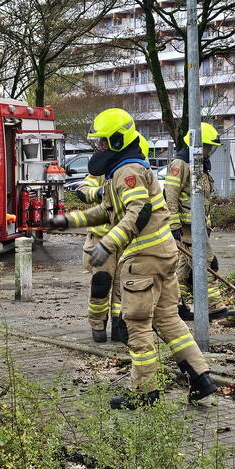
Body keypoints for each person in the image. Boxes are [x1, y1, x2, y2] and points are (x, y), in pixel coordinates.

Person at [53, 109, 217, 409]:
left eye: (102, 143)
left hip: (142, 258)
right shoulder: (127, 168)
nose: (98, 148)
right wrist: (69, 221)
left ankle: (144, 393)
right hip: (162, 253)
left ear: (117, 140)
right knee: (169, 320)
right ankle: (201, 378)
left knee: (138, 324)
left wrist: (109, 243)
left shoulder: (127, 172)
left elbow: (137, 213)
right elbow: (108, 211)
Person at [76, 134, 150, 344]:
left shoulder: (134, 172)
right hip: (101, 238)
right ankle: (97, 324)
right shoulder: (104, 168)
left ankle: (120, 326)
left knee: (123, 287)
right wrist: (101, 192)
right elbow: (82, 189)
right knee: (101, 283)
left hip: (125, 240)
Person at [163, 122, 230, 320]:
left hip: (197, 226)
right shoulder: (180, 164)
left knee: (183, 268)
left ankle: (178, 306)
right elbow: (171, 195)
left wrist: (206, 225)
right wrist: (173, 224)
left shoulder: (198, 164)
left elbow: (202, 199)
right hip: (186, 227)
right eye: (207, 147)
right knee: (207, 263)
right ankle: (214, 306)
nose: (210, 151)